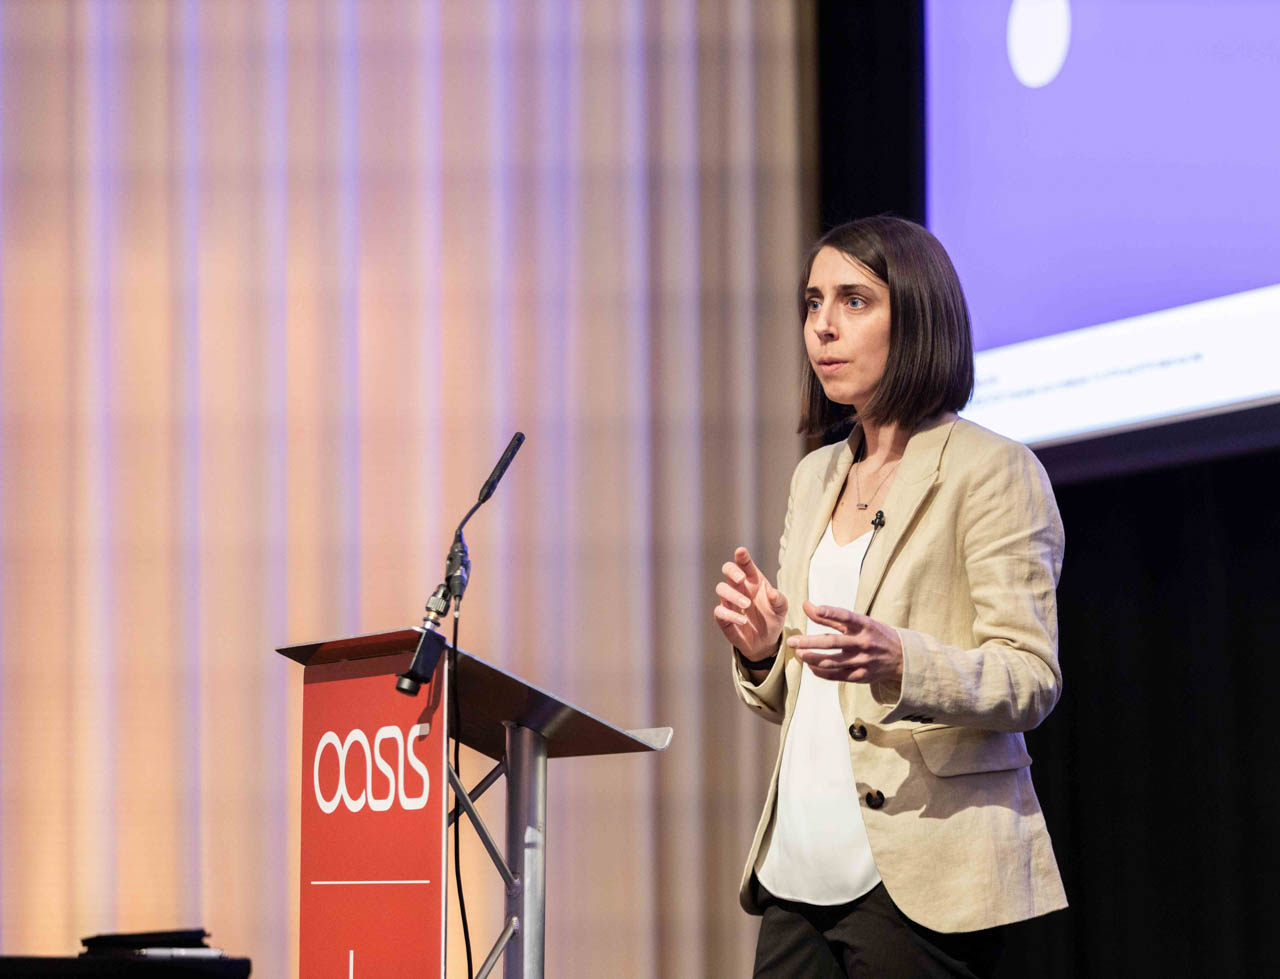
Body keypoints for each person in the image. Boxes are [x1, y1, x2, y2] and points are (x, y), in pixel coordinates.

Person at [713, 216, 1067, 978]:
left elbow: (1030, 675)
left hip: (921, 869)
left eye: (853, 301)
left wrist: (902, 660)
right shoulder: (815, 475)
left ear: (916, 317)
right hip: (798, 867)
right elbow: (808, 693)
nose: (823, 326)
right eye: (813, 303)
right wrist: (766, 650)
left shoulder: (992, 470)